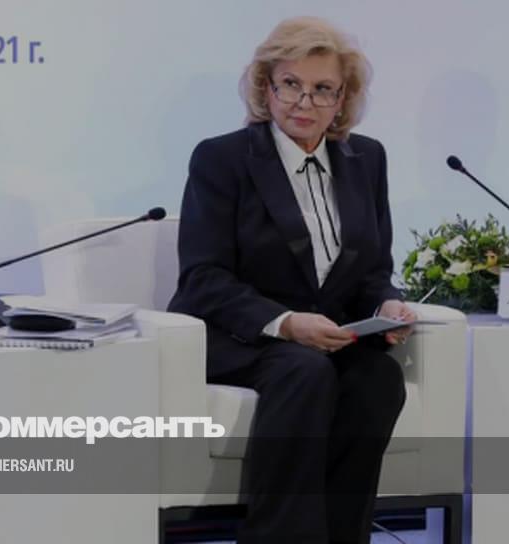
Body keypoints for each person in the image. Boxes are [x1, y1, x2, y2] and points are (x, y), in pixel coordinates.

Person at [167, 16, 417, 544]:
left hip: (324, 337)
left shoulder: (366, 159)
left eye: (322, 89)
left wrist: (387, 306)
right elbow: (203, 278)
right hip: (239, 335)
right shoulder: (222, 158)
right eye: (290, 84)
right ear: (266, 87)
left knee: (377, 379)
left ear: (342, 98)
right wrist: (285, 323)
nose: (305, 102)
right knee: (304, 370)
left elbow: (373, 269)